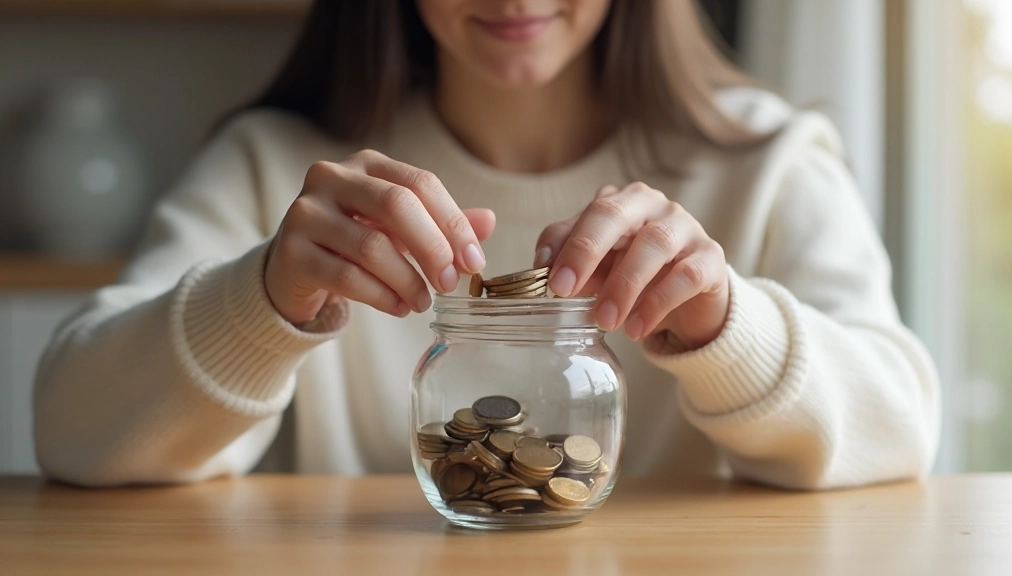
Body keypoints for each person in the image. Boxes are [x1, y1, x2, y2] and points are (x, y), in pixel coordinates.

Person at [33, 0, 940, 488]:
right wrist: (259, 303)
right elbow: (71, 428)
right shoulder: (277, 169)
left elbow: (904, 430)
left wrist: (726, 327)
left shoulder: (773, 161)